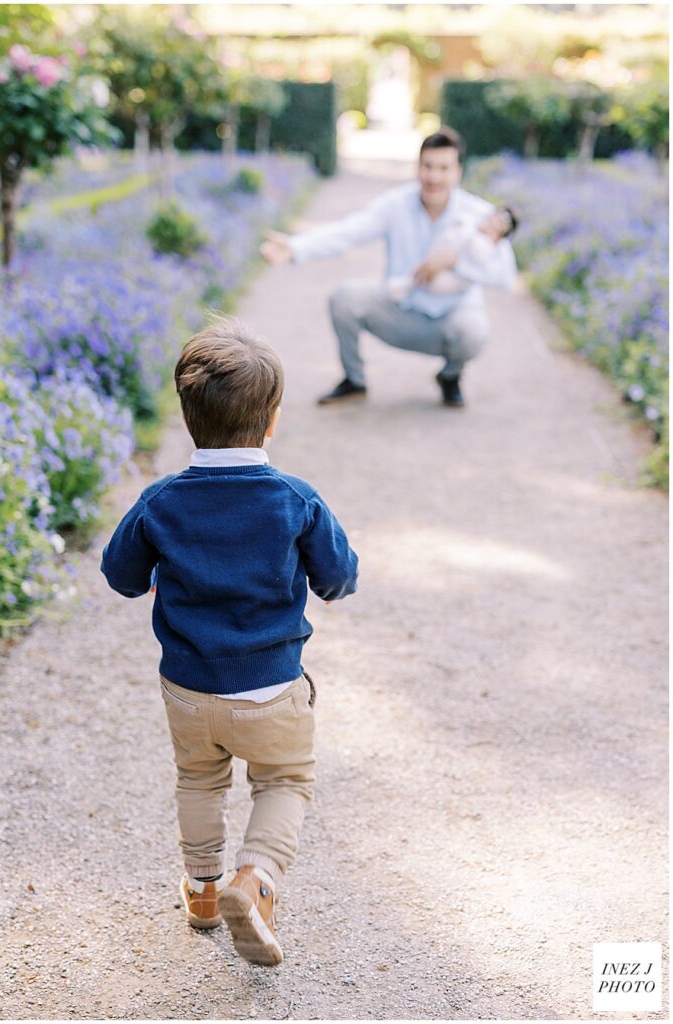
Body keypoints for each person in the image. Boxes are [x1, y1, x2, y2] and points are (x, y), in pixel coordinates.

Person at [100, 315, 359, 967]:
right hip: (271, 689)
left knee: (199, 779)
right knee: (285, 782)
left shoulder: (160, 503)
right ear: (271, 421)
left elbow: (120, 576)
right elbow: (337, 578)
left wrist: (161, 569)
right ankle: (257, 878)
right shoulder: (294, 500)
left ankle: (206, 891)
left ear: (189, 419)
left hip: (190, 690)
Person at [261, 127, 517, 408]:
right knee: (344, 299)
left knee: (475, 331)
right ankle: (354, 380)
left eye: (444, 168)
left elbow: (505, 275)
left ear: (458, 172)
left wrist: (456, 260)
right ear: (418, 167)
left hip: (450, 319)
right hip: (400, 308)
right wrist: (296, 247)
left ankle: (450, 376)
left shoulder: (480, 215)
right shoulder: (396, 204)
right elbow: (350, 231)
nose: (434, 177)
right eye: (427, 166)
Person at [388, 204, 519, 300]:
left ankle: (409, 285)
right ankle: (408, 284)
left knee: (431, 282)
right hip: (437, 257)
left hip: (453, 279)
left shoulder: (485, 246)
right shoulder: (471, 221)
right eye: (489, 221)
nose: (488, 227)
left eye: (494, 230)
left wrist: (456, 259)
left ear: (498, 239)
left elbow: (504, 279)